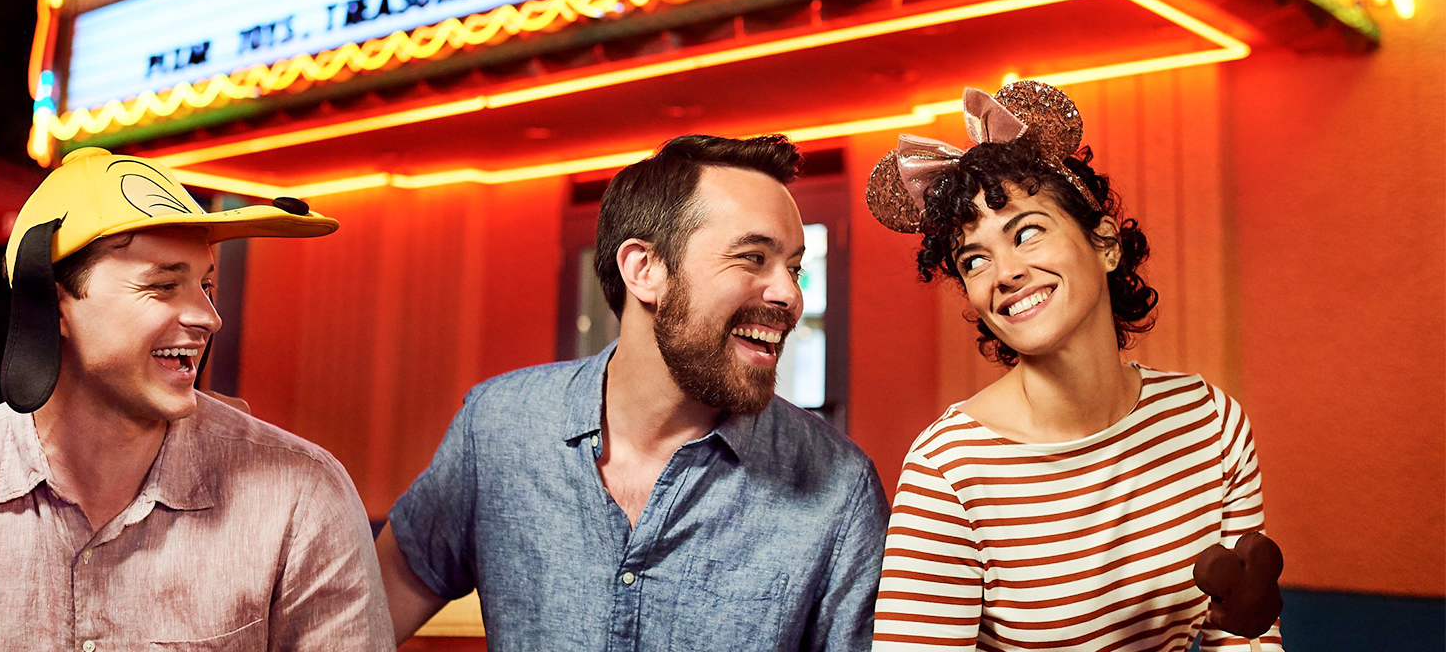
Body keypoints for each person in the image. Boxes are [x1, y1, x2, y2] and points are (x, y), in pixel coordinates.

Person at [0, 147, 395, 651]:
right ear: (54, 305)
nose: (209, 318)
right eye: (163, 285)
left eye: (206, 286)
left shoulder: (302, 496)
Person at [375, 134, 890, 650]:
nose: (791, 295)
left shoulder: (839, 487)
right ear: (644, 270)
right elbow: (369, 609)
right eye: (753, 258)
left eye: (794, 268)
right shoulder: (499, 428)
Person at [864, 81, 1283, 651]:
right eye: (975, 260)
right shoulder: (950, 470)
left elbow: (1241, 637)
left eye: (1027, 233)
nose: (1005, 273)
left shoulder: (1210, 423)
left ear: (1105, 244)